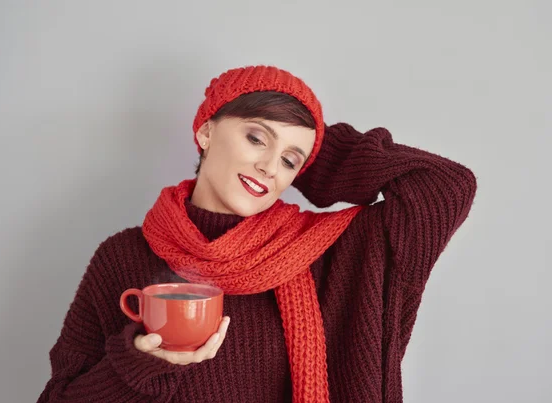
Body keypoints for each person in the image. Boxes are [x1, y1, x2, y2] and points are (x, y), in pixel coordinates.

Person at [38, 65, 477, 403]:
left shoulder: (329, 253)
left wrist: (315, 151)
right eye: (256, 137)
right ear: (206, 130)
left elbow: (446, 186)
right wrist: (138, 364)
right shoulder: (123, 256)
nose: (270, 166)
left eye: (290, 161)